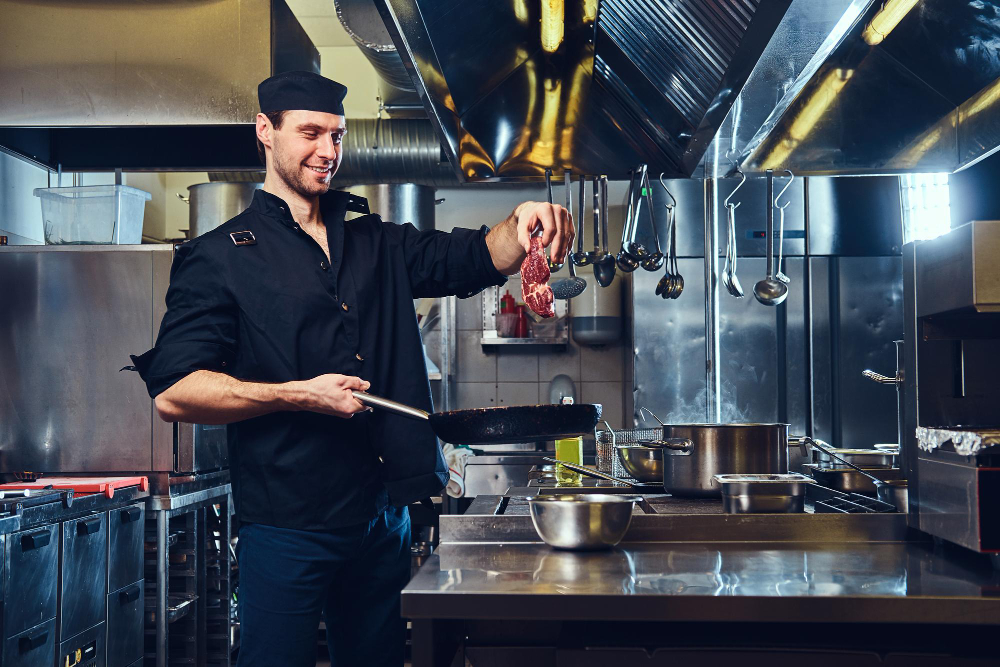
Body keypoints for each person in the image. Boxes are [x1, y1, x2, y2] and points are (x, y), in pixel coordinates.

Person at [128, 71, 574, 667]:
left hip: (380, 518)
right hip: (287, 526)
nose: (327, 151)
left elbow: (468, 258)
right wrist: (297, 395)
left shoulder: (374, 240)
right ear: (266, 131)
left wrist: (519, 227)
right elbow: (176, 392)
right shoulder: (216, 258)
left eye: (336, 136)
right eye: (310, 133)